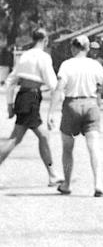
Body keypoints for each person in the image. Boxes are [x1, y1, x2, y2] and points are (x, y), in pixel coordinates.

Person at [47, 35, 103, 197]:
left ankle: (66, 184)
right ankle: (98, 185)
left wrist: (51, 113)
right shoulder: (95, 65)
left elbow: (59, 89)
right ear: (88, 48)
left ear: (73, 48)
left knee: (68, 148)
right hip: (91, 105)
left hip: (71, 105)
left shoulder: (66, 65)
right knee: (93, 147)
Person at [0, 28, 63, 186]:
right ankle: (53, 175)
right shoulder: (44, 57)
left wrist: (9, 104)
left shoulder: (24, 56)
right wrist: (60, 95)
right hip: (32, 98)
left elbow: (10, 81)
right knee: (17, 138)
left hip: (23, 96)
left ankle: (52, 174)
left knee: (39, 137)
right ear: (46, 40)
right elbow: (52, 83)